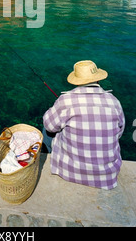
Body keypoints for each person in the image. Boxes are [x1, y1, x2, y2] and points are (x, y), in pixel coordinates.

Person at [42, 60, 125, 190]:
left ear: (76, 81)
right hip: (106, 176)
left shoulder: (66, 100)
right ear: (98, 80)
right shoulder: (114, 102)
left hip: (69, 171)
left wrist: (57, 108)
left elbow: (49, 126)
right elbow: (119, 132)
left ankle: (46, 155)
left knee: (46, 130)